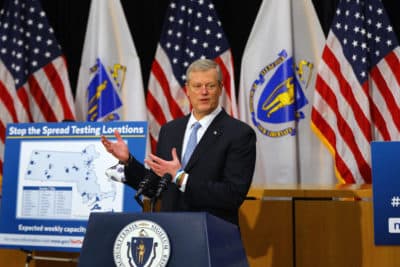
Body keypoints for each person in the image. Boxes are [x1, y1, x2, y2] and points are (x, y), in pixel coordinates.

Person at [101, 58, 256, 226]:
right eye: (197, 86)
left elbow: (232, 195)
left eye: (210, 86)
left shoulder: (239, 133)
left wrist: (181, 178)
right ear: (187, 90)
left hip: (213, 234)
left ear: (220, 89)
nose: (203, 92)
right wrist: (128, 161)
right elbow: (155, 187)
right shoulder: (170, 130)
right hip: (171, 232)